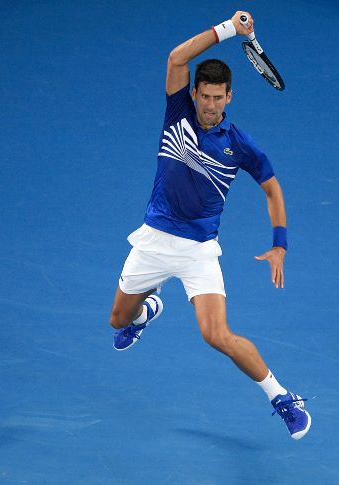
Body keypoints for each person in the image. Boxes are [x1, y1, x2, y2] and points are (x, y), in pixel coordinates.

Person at [108, 10, 311, 440]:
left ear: (229, 97)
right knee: (118, 319)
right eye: (204, 96)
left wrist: (280, 244)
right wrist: (229, 29)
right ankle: (146, 312)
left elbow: (273, 190)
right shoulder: (176, 112)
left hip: (198, 250)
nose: (210, 105)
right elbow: (176, 57)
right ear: (194, 93)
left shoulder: (240, 145)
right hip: (154, 240)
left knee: (216, 335)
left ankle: (282, 397)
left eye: (219, 98)